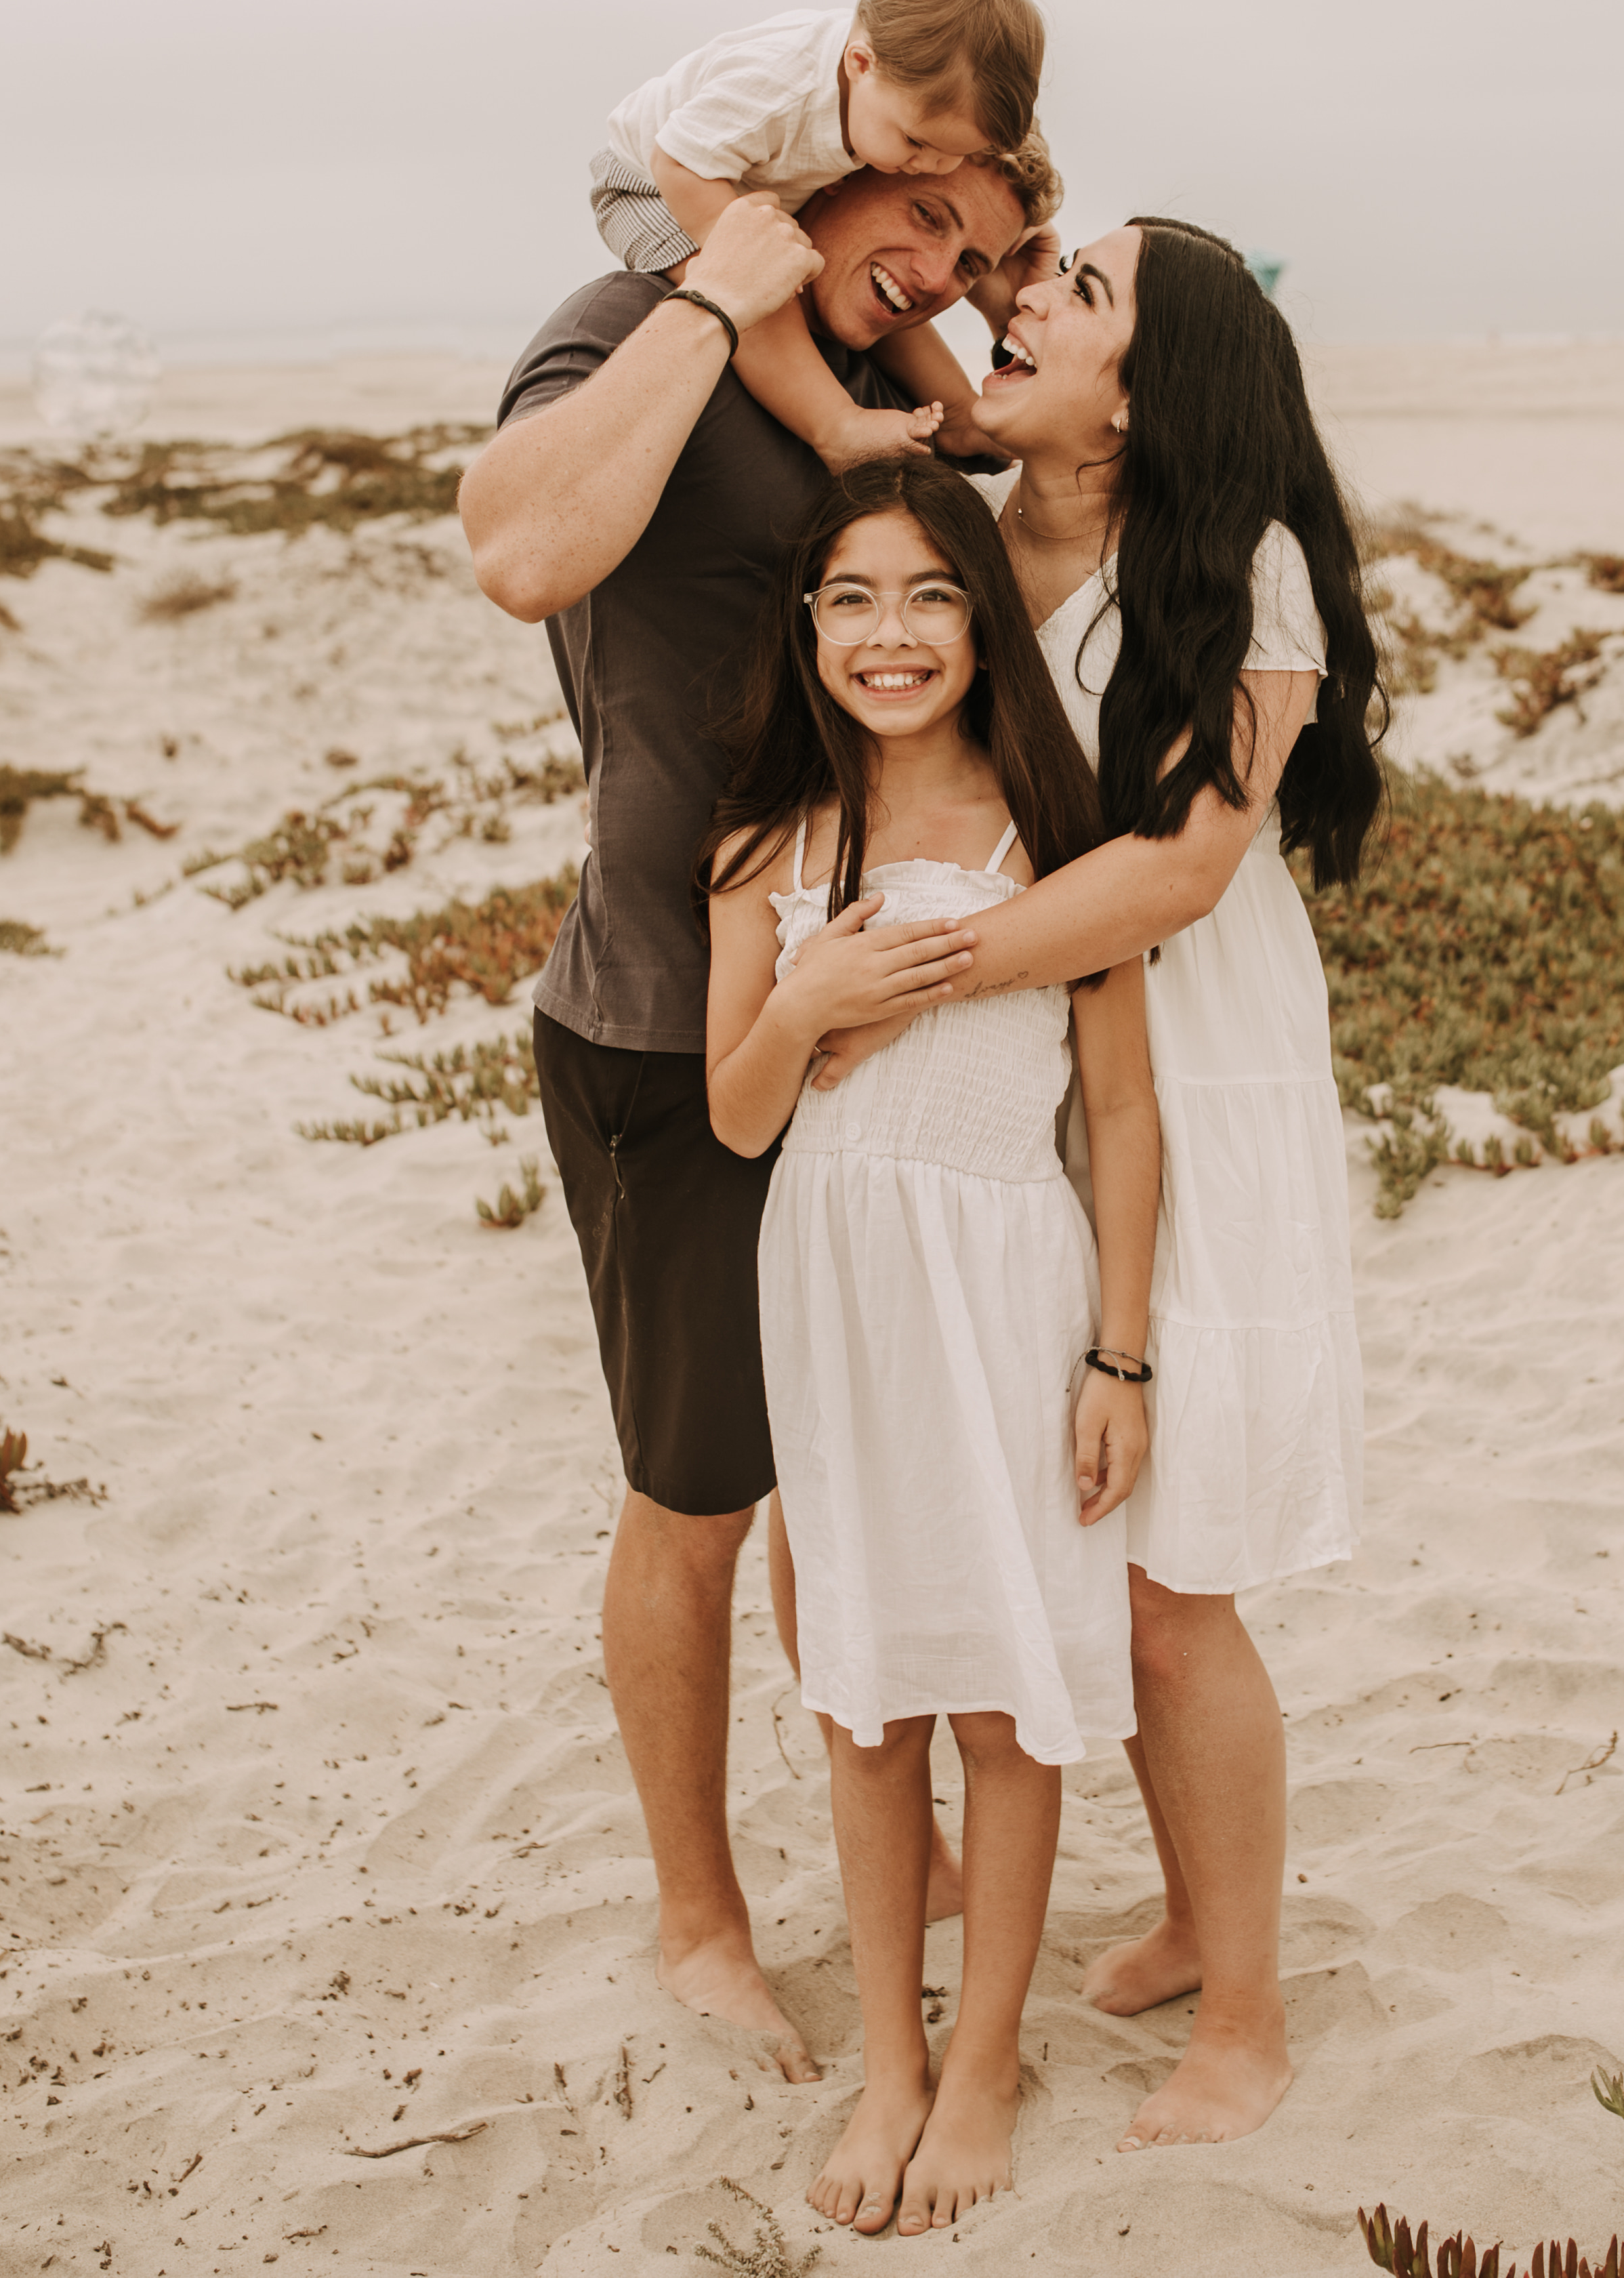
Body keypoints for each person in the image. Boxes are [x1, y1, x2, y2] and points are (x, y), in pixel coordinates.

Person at [457, 160, 1047, 2084]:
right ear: (832, 147)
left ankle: (916, 1847)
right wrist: (718, 289)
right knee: (697, 1492)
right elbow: (521, 550)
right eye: (933, 218)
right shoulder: (641, 327)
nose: (946, 274)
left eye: (979, 254)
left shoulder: (865, 384)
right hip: (662, 1015)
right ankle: (700, 1914)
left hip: (863, 1029)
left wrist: (932, 314)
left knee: (847, 1471)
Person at [804, 215, 1384, 2151]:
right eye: (1032, 281)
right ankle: (1191, 1906)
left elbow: (1180, 871)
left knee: (1173, 1576)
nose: (1025, 303)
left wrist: (918, 964)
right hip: (1002, 1103)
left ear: (1154, 384)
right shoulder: (973, 516)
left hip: (1182, 1069)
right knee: (1074, 1535)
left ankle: (1249, 2010)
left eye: (1079, 294)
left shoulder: (1239, 565)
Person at [704, 459, 1159, 2237]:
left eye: (927, 596)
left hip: (1011, 1285)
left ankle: (983, 2065)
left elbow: (1119, 1113)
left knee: (1006, 1693)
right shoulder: (769, 842)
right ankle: (891, 2061)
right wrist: (805, 997)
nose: (889, 636)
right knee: (869, 1694)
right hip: (839, 1299)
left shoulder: (1060, 837)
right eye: (851, 600)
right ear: (807, 626)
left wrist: (1117, 1356)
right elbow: (740, 1121)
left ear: (982, 616)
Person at [589, 0, 1047, 470]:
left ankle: (962, 416)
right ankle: (836, 428)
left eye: (955, 154)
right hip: (653, 181)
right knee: (764, 290)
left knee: (890, 285)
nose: (933, 166)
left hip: (734, 173)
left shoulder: (887, 89)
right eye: (917, 143)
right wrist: (745, 263)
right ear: (860, 64)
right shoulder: (783, 87)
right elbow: (675, 157)